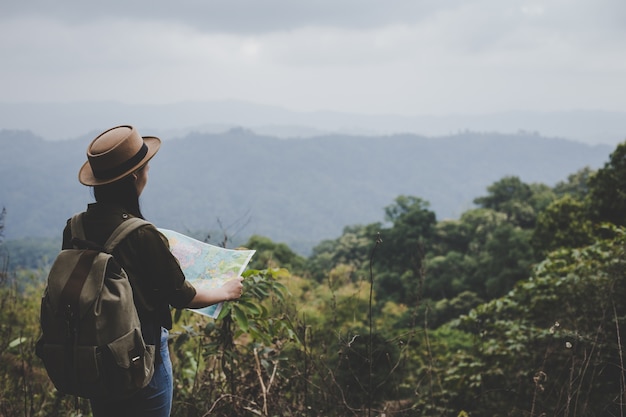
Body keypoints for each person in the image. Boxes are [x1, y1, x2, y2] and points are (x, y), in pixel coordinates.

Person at [65, 125, 244, 416]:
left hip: (95, 351)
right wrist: (225, 291)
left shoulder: (75, 227)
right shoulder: (142, 234)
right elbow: (181, 295)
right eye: (146, 168)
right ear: (135, 176)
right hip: (141, 351)